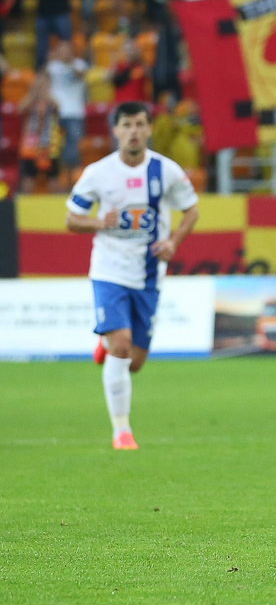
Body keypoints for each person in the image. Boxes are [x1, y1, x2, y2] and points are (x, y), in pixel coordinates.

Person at [64, 102, 199, 450]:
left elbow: (191, 210)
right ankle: (121, 431)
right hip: (109, 270)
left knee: (134, 362)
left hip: (149, 276)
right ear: (116, 130)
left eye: (140, 124)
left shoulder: (166, 170)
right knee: (122, 346)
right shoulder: (98, 172)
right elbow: (71, 219)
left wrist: (173, 241)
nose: (133, 131)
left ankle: (105, 345)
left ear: (150, 128)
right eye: (126, 125)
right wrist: (99, 222)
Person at [46, 40, 88, 173]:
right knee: (53, 147)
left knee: (74, 146)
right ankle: (57, 175)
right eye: (62, 50)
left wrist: (69, 62)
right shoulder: (52, 66)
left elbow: (80, 75)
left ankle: (73, 176)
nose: (64, 53)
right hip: (56, 112)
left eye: (67, 50)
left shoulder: (80, 64)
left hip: (75, 113)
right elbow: (44, 84)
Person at [18, 72, 62, 194]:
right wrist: (33, 95)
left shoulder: (51, 100)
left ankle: (54, 202)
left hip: (50, 145)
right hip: (30, 145)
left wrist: (45, 96)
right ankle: (27, 202)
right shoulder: (30, 99)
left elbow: (57, 108)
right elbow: (21, 109)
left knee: (52, 176)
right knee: (28, 175)